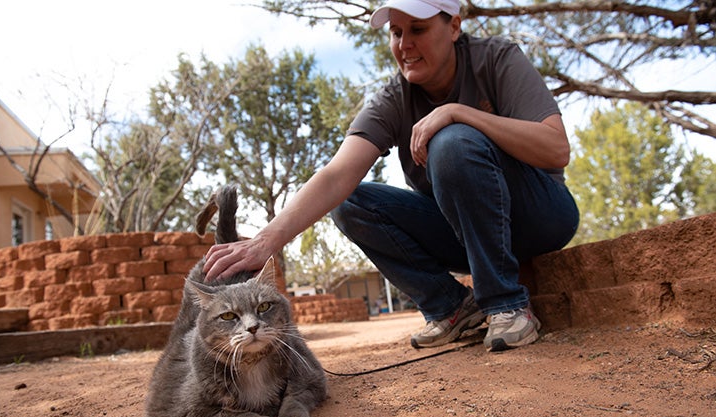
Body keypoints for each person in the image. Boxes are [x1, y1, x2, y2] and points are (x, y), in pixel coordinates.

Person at [204, 0, 579, 352]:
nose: (405, 45)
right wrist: (266, 241)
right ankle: (452, 307)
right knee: (349, 200)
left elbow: (556, 148)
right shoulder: (394, 99)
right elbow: (337, 176)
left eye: (417, 29)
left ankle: (506, 304)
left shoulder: (496, 58)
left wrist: (459, 113)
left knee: (451, 142)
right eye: (396, 33)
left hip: (541, 216)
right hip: (466, 236)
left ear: (453, 27)